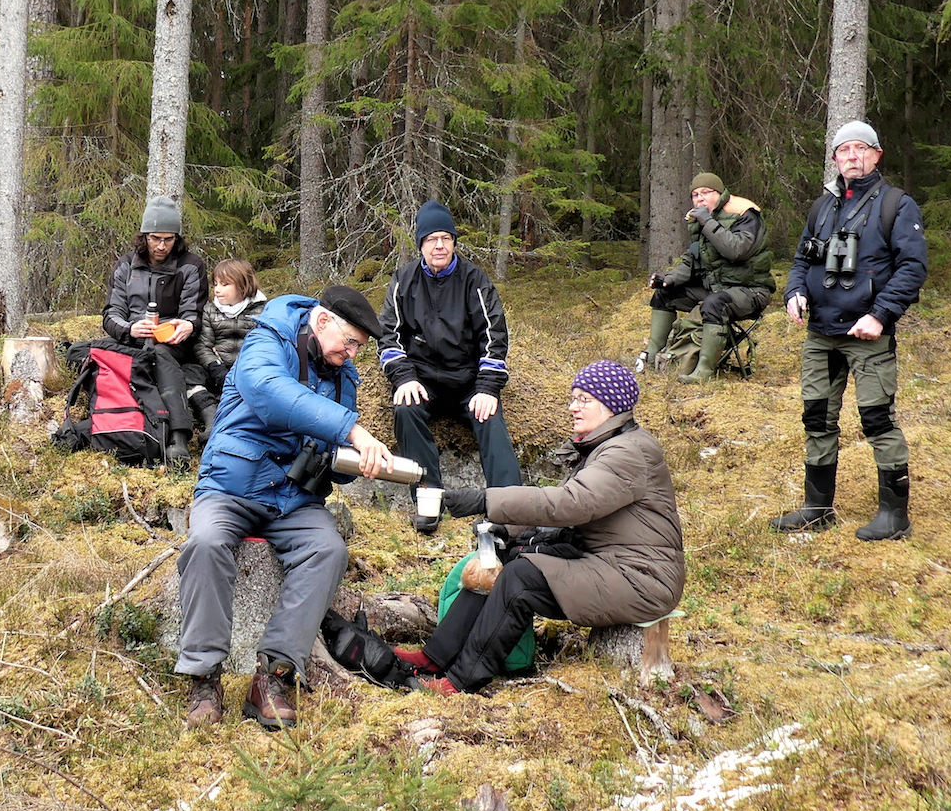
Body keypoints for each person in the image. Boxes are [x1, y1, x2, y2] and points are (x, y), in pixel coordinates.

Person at [394, 361, 684, 696]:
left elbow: (571, 503)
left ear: (611, 404)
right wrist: (507, 530)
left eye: (584, 399)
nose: (572, 407)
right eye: (573, 398)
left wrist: (485, 500)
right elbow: (563, 513)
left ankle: (462, 680)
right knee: (501, 557)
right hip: (609, 561)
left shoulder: (629, 452)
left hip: (643, 578)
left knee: (520, 578)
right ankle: (436, 657)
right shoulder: (603, 445)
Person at [177, 285, 394, 731]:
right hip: (230, 485)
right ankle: (203, 676)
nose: (352, 354)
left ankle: (272, 676)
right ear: (322, 321)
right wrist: (353, 431)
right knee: (207, 541)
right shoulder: (266, 341)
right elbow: (271, 394)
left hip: (293, 499)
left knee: (328, 550)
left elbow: (334, 452)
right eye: (349, 341)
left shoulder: (342, 376)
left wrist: (358, 464)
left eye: (359, 348)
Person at [772, 121, 927, 541]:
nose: (852, 156)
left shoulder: (897, 205)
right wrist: (792, 293)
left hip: (868, 334)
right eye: (844, 150)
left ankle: (894, 515)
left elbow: (913, 269)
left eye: (861, 148)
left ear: (877, 155)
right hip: (820, 334)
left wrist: (879, 315)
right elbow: (802, 261)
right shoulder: (822, 207)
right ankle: (817, 508)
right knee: (817, 418)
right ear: (836, 159)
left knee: (878, 420)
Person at [378, 201, 522, 534]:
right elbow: (388, 336)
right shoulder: (404, 281)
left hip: (468, 382)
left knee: (489, 417)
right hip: (423, 380)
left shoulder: (475, 280)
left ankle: (512, 508)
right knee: (405, 410)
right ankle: (428, 502)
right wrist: (403, 378)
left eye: (445, 237)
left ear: (454, 241)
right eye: (431, 239)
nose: (439, 245)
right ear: (421, 244)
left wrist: (487, 387)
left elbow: (494, 335)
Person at [101, 196, 216, 463]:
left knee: (161, 354)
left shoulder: (191, 265)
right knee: (94, 352)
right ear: (144, 236)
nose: (162, 246)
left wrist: (187, 325)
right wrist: (130, 329)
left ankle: (178, 437)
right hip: (132, 340)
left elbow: (194, 314)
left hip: (174, 342)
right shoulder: (125, 266)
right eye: (155, 238)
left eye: (168, 239)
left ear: (177, 238)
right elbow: (110, 315)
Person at [640, 172, 775, 383]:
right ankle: (650, 356)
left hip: (751, 291)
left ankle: (703, 371)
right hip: (718, 287)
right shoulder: (701, 221)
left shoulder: (745, 215)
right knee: (665, 294)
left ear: (719, 194)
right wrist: (669, 279)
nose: (699, 198)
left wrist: (708, 222)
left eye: (705, 192)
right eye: (695, 195)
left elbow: (736, 250)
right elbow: (692, 259)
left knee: (715, 303)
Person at [196, 257, 267, 397]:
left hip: (250, 369)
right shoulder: (210, 310)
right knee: (190, 372)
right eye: (215, 284)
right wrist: (216, 367)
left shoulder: (263, 310)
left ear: (243, 284)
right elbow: (203, 345)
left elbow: (266, 344)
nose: (217, 290)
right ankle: (208, 407)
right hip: (218, 370)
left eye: (224, 284)